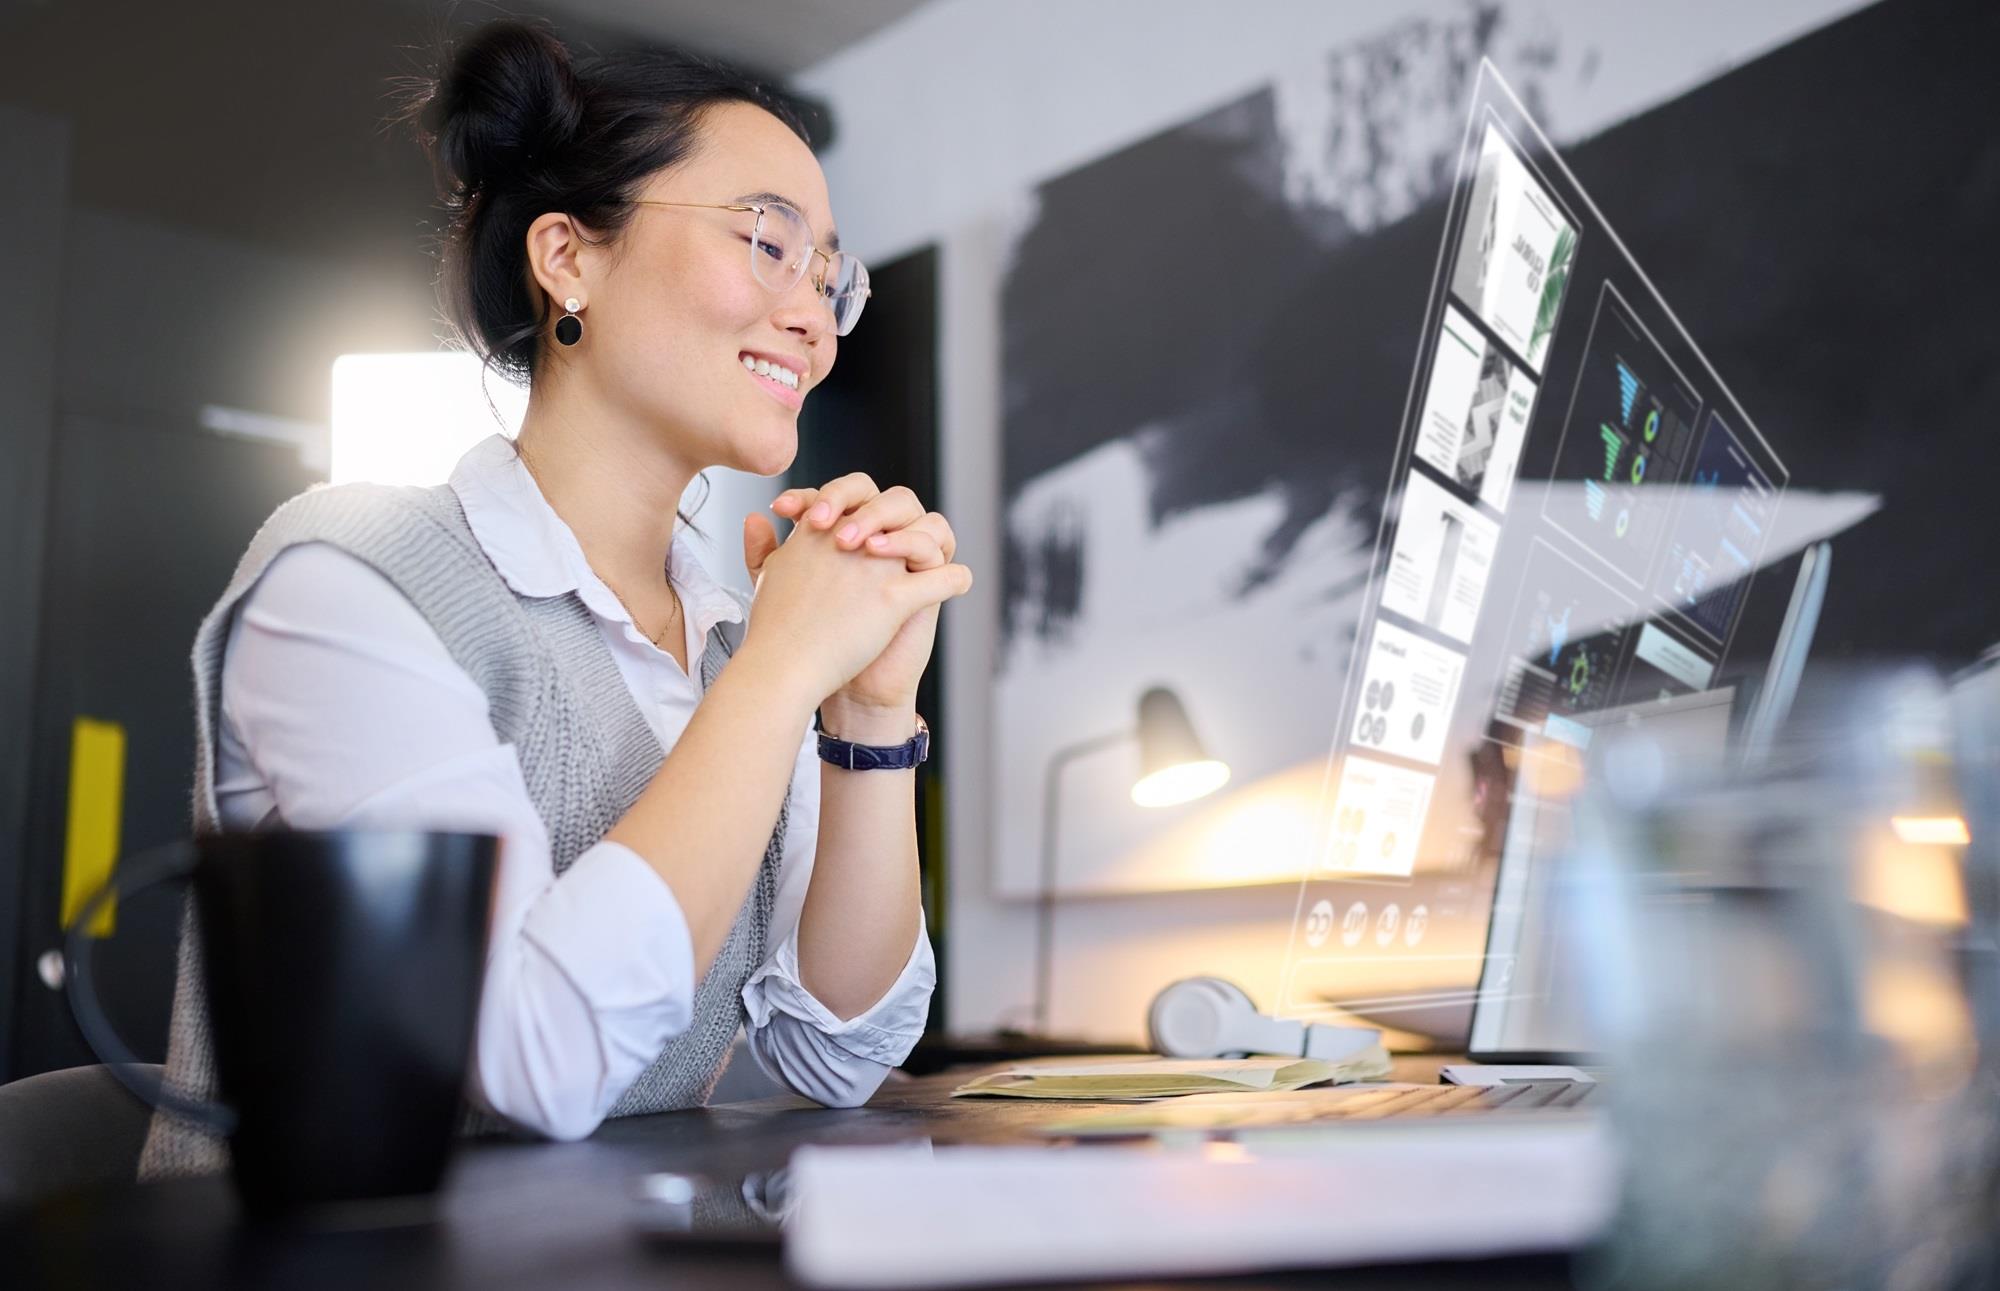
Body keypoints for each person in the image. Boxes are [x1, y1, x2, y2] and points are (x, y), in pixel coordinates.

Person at [138, 20, 971, 1177]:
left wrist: (868, 716)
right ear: (568, 257)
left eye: (832, 276)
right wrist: (784, 672)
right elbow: (534, 1060)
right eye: (769, 243)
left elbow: (835, 1056)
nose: (813, 315)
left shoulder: (733, 638)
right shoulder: (348, 578)